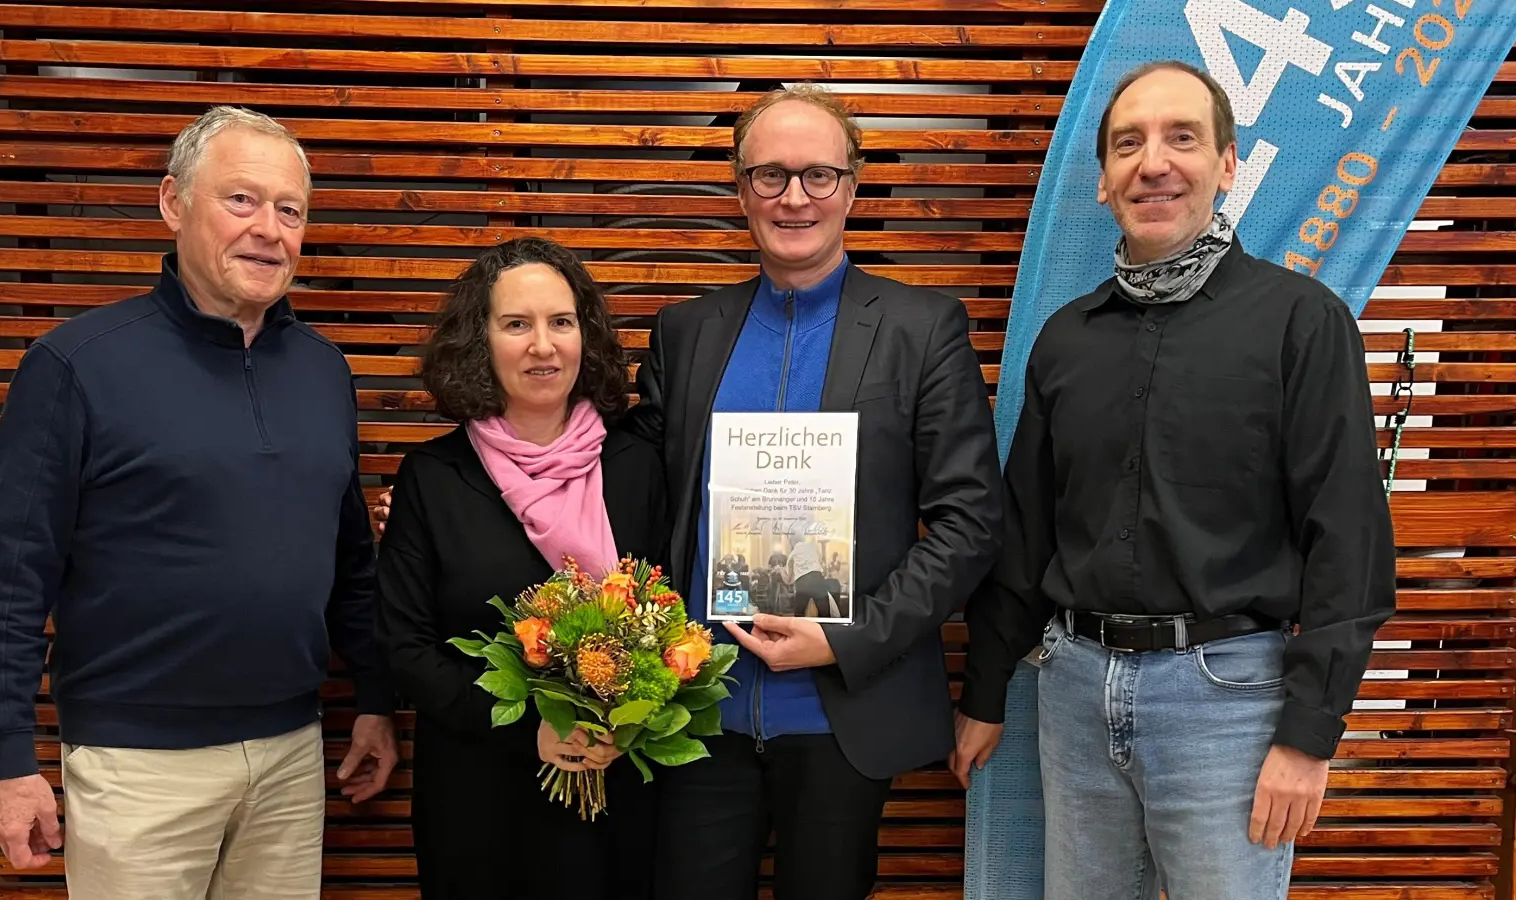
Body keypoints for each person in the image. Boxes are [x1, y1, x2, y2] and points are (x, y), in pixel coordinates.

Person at [953, 61, 1396, 899]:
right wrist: (983, 693)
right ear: (1103, 181)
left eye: (1181, 138)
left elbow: (1349, 542)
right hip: (1074, 690)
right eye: (1128, 144)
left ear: (1227, 165)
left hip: (1230, 703)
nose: (1153, 163)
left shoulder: (1302, 323)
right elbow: (1026, 534)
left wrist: (1309, 736)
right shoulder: (1066, 340)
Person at [0, 106, 398, 898]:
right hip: (135, 767)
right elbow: (11, 578)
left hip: (289, 755)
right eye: (241, 200)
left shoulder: (324, 371)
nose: (268, 230)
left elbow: (349, 564)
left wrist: (375, 698)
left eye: (290, 210)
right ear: (173, 202)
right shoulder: (75, 364)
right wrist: (9, 760)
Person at [627, 83, 1004, 900]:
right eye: (770, 175)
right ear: (741, 191)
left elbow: (970, 521)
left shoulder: (922, 329)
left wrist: (851, 637)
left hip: (844, 712)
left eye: (818, 175)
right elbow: (632, 489)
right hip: (696, 712)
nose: (794, 197)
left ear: (852, 187)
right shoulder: (685, 333)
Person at [371, 237, 666, 900]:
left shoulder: (636, 468)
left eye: (561, 322)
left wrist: (628, 719)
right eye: (515, 324)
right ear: (480, 341)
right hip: (479, 799)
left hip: (617, 792)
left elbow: (668, 615)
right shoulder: (433, 477)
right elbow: (405, 646)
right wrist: (530, 727)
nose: (542, 345)